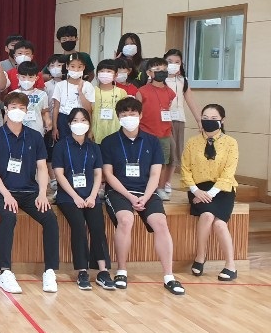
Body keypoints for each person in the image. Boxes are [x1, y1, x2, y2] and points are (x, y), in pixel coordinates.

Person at [100, 97, 184, 295]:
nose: (129, 117)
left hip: (147, 191)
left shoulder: (152, 141)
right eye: (124, 114)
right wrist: (130, 197)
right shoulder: (109, 142)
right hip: (119, 192)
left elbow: (155, 174)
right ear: (118, 117)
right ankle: (121, 271)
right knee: (126, 220)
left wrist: (145, 197)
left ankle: (169, 276)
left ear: (140, 115)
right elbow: (109, 175)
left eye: (133, 114)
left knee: (161, 223)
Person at [0, 92, 60, 294]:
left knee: (50, 219)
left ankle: (50, 271)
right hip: (2, 191)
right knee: (9, 217)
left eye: (21, 108)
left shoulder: (35, 136)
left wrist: (43, 193)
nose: (17, 111)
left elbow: (42, 167)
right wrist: (6, 195)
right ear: (6, 110)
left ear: (27, 111)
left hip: (29, 191)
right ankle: (5, 271)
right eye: (13, 107)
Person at [52, 108, 113, 290]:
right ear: (69, 124)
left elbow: (98, 174)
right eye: (76, 120)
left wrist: (93, 196)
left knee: (97, 227)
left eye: (83, 120)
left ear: (89, 123)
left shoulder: (94, 147)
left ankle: (103, 271)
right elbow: (59, 174)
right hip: (68, 197)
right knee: (79, 226)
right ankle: (82, 271)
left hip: (91, 196)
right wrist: (76, 197)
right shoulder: (61, 146)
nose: (80, 123)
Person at [182, 104, 239, 281]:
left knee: (219, 224)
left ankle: (231, 265)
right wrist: (196, 191)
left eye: (213, 119)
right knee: (206, 216)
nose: (209, 121)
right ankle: (200, 256)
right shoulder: (192, 142)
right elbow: (185, 169)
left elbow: (229, 172)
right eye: (205, 118)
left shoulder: (231, 143)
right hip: (198, 188)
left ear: (222, 120)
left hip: (223, 189)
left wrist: (211, 193)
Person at [161, 48, 202, 198]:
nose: (173, 64)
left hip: (179, 119)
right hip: (163, 120)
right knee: (167, 150)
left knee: (176, 152)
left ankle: (167, 182)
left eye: (177, 62)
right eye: (170, 61)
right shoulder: (159, 80)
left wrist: (199, 120)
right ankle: (159, 184)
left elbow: (190, 101)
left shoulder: (183, 81)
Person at [135, 58, 177, 200]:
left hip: (164, 133)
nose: (161, 72)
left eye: (164, 69)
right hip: (146, 132)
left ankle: (160, 188)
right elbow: (137, 112)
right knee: (144, 161)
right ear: (149, 73)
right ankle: (144, 187)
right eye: (157, 69)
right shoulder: (142, 91)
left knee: (163, 162)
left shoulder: (170, 92)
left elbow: (167, 109)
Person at [50, 52, 94, 144]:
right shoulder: (60, 85)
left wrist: (80, 92)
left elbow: (89, 109)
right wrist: (54, 127)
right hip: (63, 119)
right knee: (64, 145)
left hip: (81, 119)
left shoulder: (88, 85)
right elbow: (56, 108)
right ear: (67, 66)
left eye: (79, 67)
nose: (76, 70)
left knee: (80, 144)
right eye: (72, 66)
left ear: (84, 67)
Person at [92, 59, 126, 144]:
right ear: (97, 74)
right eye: (102, 71)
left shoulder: (121, 92)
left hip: (115, 131)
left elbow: (124, 113)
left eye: (109, 71)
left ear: (116, 75)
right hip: (96, 132)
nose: (105, 74)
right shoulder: (92, 91)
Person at [15, 62, 51, 138]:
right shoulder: (13, 95)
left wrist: (48, 121)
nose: (27, 80)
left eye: (30, 77)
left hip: (37, 131)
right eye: (23, 77)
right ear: (18, 76)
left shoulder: (42, 94)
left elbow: (45, 112)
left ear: (36, 78)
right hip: (17, 132)